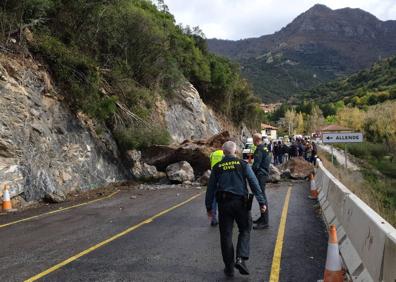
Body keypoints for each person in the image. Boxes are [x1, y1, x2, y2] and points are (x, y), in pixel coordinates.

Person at [205, 141, 267, 277]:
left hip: (224, 204)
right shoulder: (242, 164)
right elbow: (253, 182)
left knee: (226, 235)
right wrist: (261, 201)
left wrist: (209, 207)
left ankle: (229, 268)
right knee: (245, 229)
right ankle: (240, 258)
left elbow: (210, 189)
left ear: (223, 152)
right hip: (241, 203)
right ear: (235, 151)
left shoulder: (217, 166)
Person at [251, 133, 272, 230]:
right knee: (262, 196)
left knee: (261, 197)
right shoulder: (265, 148)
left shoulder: (259, 149)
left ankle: (264, 221)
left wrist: (250, 172)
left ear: (256, 140)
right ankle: (262, 218)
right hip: (264, 173)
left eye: (253, 140)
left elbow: (256, 165)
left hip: (260, 175)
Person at [208, 149, 224, 226]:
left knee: (213, 199)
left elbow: (210, 162)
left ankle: (213, 219)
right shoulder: (223, 153)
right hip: (222, 176)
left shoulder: (212, 154)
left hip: (214, 175)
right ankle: (227, 218)